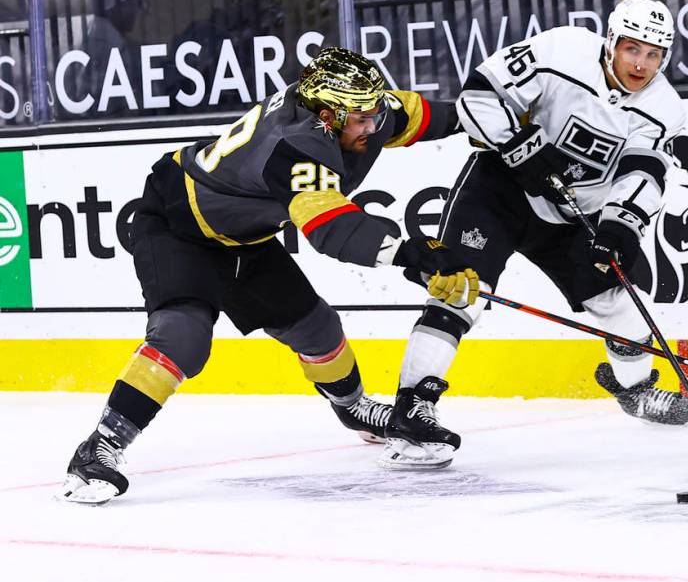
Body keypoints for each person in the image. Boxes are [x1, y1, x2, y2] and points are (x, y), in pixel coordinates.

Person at [59, 47, 480, 504]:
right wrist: (408, 255)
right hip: (178, 224)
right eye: (360, 118)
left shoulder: (356, 111)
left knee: (318, 330)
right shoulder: (297, 144)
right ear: (327, 115)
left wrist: (496, 119)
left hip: (244, 235)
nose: (372, 126)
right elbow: (329, 228)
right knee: (183, 335)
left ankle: (354, 409)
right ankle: (99, 448)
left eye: (375, 112)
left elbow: (425, 115)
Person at [379, 0, 688, 470]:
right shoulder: (562, 49)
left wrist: (619, 225)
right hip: (501, 189)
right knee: (461, 287)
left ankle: (634, 390)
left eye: (654, 55)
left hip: (574, 213)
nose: (641, 64)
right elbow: (478, 96)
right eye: (633, 49)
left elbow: (642, 174)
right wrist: (518, 146)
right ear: (611, 41)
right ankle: (411, 409)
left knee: (619, 303)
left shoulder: (662, 106)